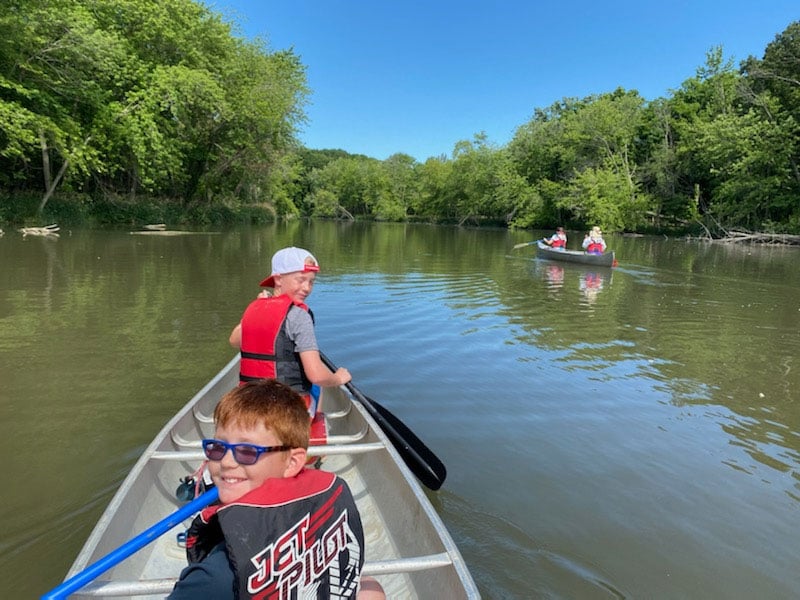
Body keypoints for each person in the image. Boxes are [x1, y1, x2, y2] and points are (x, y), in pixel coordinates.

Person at [168, 379, 385, 599]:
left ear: (292, 462)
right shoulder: (328, 497)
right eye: (218, 447)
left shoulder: (214, 579)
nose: (226, 462)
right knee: (371, 588)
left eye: (247, 451)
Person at [229, 246, 351, 416]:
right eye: (300, 280)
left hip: (249, 408)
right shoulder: (299, 316)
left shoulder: (255, 306)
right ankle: (312, 428)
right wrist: (338, 378)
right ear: (278, 279)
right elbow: (316, 375)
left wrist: (258, 308)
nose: (307, 288)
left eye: (311, 281)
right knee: (318, 384)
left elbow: (235, 341)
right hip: (285, 415)